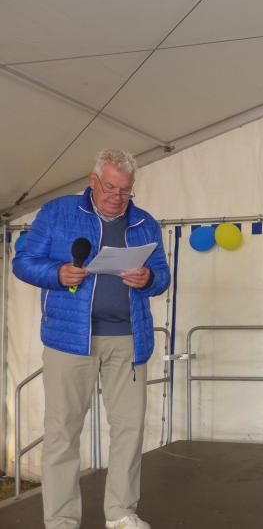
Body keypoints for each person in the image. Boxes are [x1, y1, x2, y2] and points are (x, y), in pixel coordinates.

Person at [13, 149, 170, 529]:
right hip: (69, 341)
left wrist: (148, 279)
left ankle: (121, 513)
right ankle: (61, 521)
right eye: (111, 188)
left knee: (129, 430)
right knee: (62, 433)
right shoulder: (57, 212)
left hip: (129, 340)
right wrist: (57, 274)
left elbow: (162, 276)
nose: (118, 197)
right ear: (93, 181)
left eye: (126, 190)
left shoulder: (145, 223)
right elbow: (23, 262)